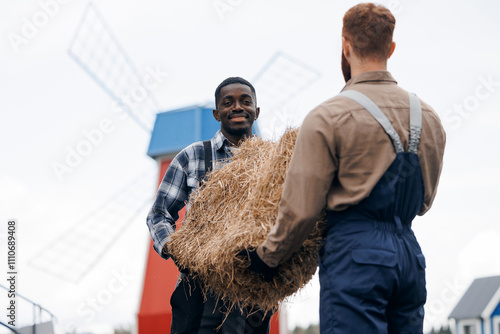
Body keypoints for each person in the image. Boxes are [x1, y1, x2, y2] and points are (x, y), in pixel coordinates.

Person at [245, 3, 446, 334]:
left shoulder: (327, 116)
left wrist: (267, 257)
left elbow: (301, 211)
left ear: (346, 45)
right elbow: (425, 202)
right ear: (391, 48)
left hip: (356, 257)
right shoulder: (429, 117)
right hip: (410, 257)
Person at [146, 77, 271, 334]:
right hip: (199, 292)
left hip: (254, 293)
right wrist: (176, 249)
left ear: (256, 112)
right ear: (216, 113)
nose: (237, 107)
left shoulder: (273, 161)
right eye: (228, 103)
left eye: (245, 101)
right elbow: (158, 214)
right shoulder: (192, 156)